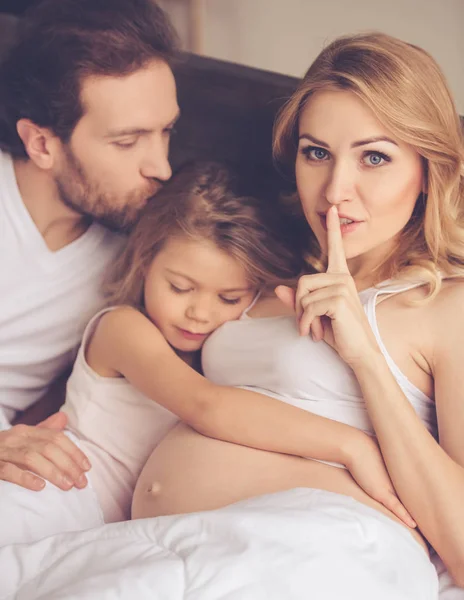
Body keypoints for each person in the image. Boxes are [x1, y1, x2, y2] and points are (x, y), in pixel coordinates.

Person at [130, 33, 464, 596]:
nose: (335, 190)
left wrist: (364, 357)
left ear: (428, 172)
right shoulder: (268, 279)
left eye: (375, 157)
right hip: (175, 547)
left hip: (310, 558)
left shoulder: (446, 307)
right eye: (317, 153)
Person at [0, 161, 408, 546]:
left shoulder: (225, 355)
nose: (199, 312)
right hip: (52, 495)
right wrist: (352, 447)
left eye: (229, 298)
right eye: (179, 287)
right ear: (144, 263)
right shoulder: (121, 328)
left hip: (104, 531)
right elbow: (205, 405)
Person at [0, 0, 179, 489]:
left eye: (166, 132)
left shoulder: (131, 260)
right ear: (41, 145)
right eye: (127, 142)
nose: (160, 166)